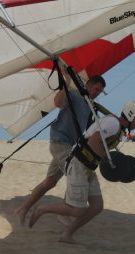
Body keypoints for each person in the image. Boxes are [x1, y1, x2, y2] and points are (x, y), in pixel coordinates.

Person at [28, 101, 135, 244]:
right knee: (77, 209)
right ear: (131, 114)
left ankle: (67, 234)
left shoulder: (117, 128)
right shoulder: (113, 124)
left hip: (88, 167)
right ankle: (41, 209)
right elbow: (93, 141)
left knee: (97, 206)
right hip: (79, 165)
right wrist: (108, 161)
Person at [14, 75, 106, 226]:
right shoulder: (74, 96)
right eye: (96, 89)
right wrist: (67, 83)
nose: (97, 93)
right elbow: (57, 102)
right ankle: (66, 212)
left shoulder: (91, 107)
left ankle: (23, 209)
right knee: (76, 171)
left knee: (50, 182)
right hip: (60, 141)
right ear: (88, 85)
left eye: (100, 91)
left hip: (71, 147)